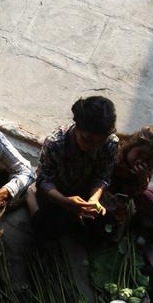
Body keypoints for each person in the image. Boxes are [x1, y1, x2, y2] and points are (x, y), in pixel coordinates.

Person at [27, 96, 119, 239]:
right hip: (58, 192)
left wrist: (93, 199)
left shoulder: (110, 143)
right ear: (76, 126)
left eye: (99, 142)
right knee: (45, 231)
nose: (92, 147)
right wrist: (65, 201)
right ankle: (30, 195)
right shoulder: (56, 143)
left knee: (106, 231)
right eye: (86, 140)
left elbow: (102, 176)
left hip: (84, 193)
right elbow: (44, 179)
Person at [104, 125, 153, 235]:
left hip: (116, 198)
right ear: (131, 146)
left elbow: (133, 194)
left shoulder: (146, 170)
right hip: (100, 187)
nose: (140, 161)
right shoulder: (115, 147)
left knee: (113, 228)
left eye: (147, 159)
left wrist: (141, 178)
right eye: (139, 153)